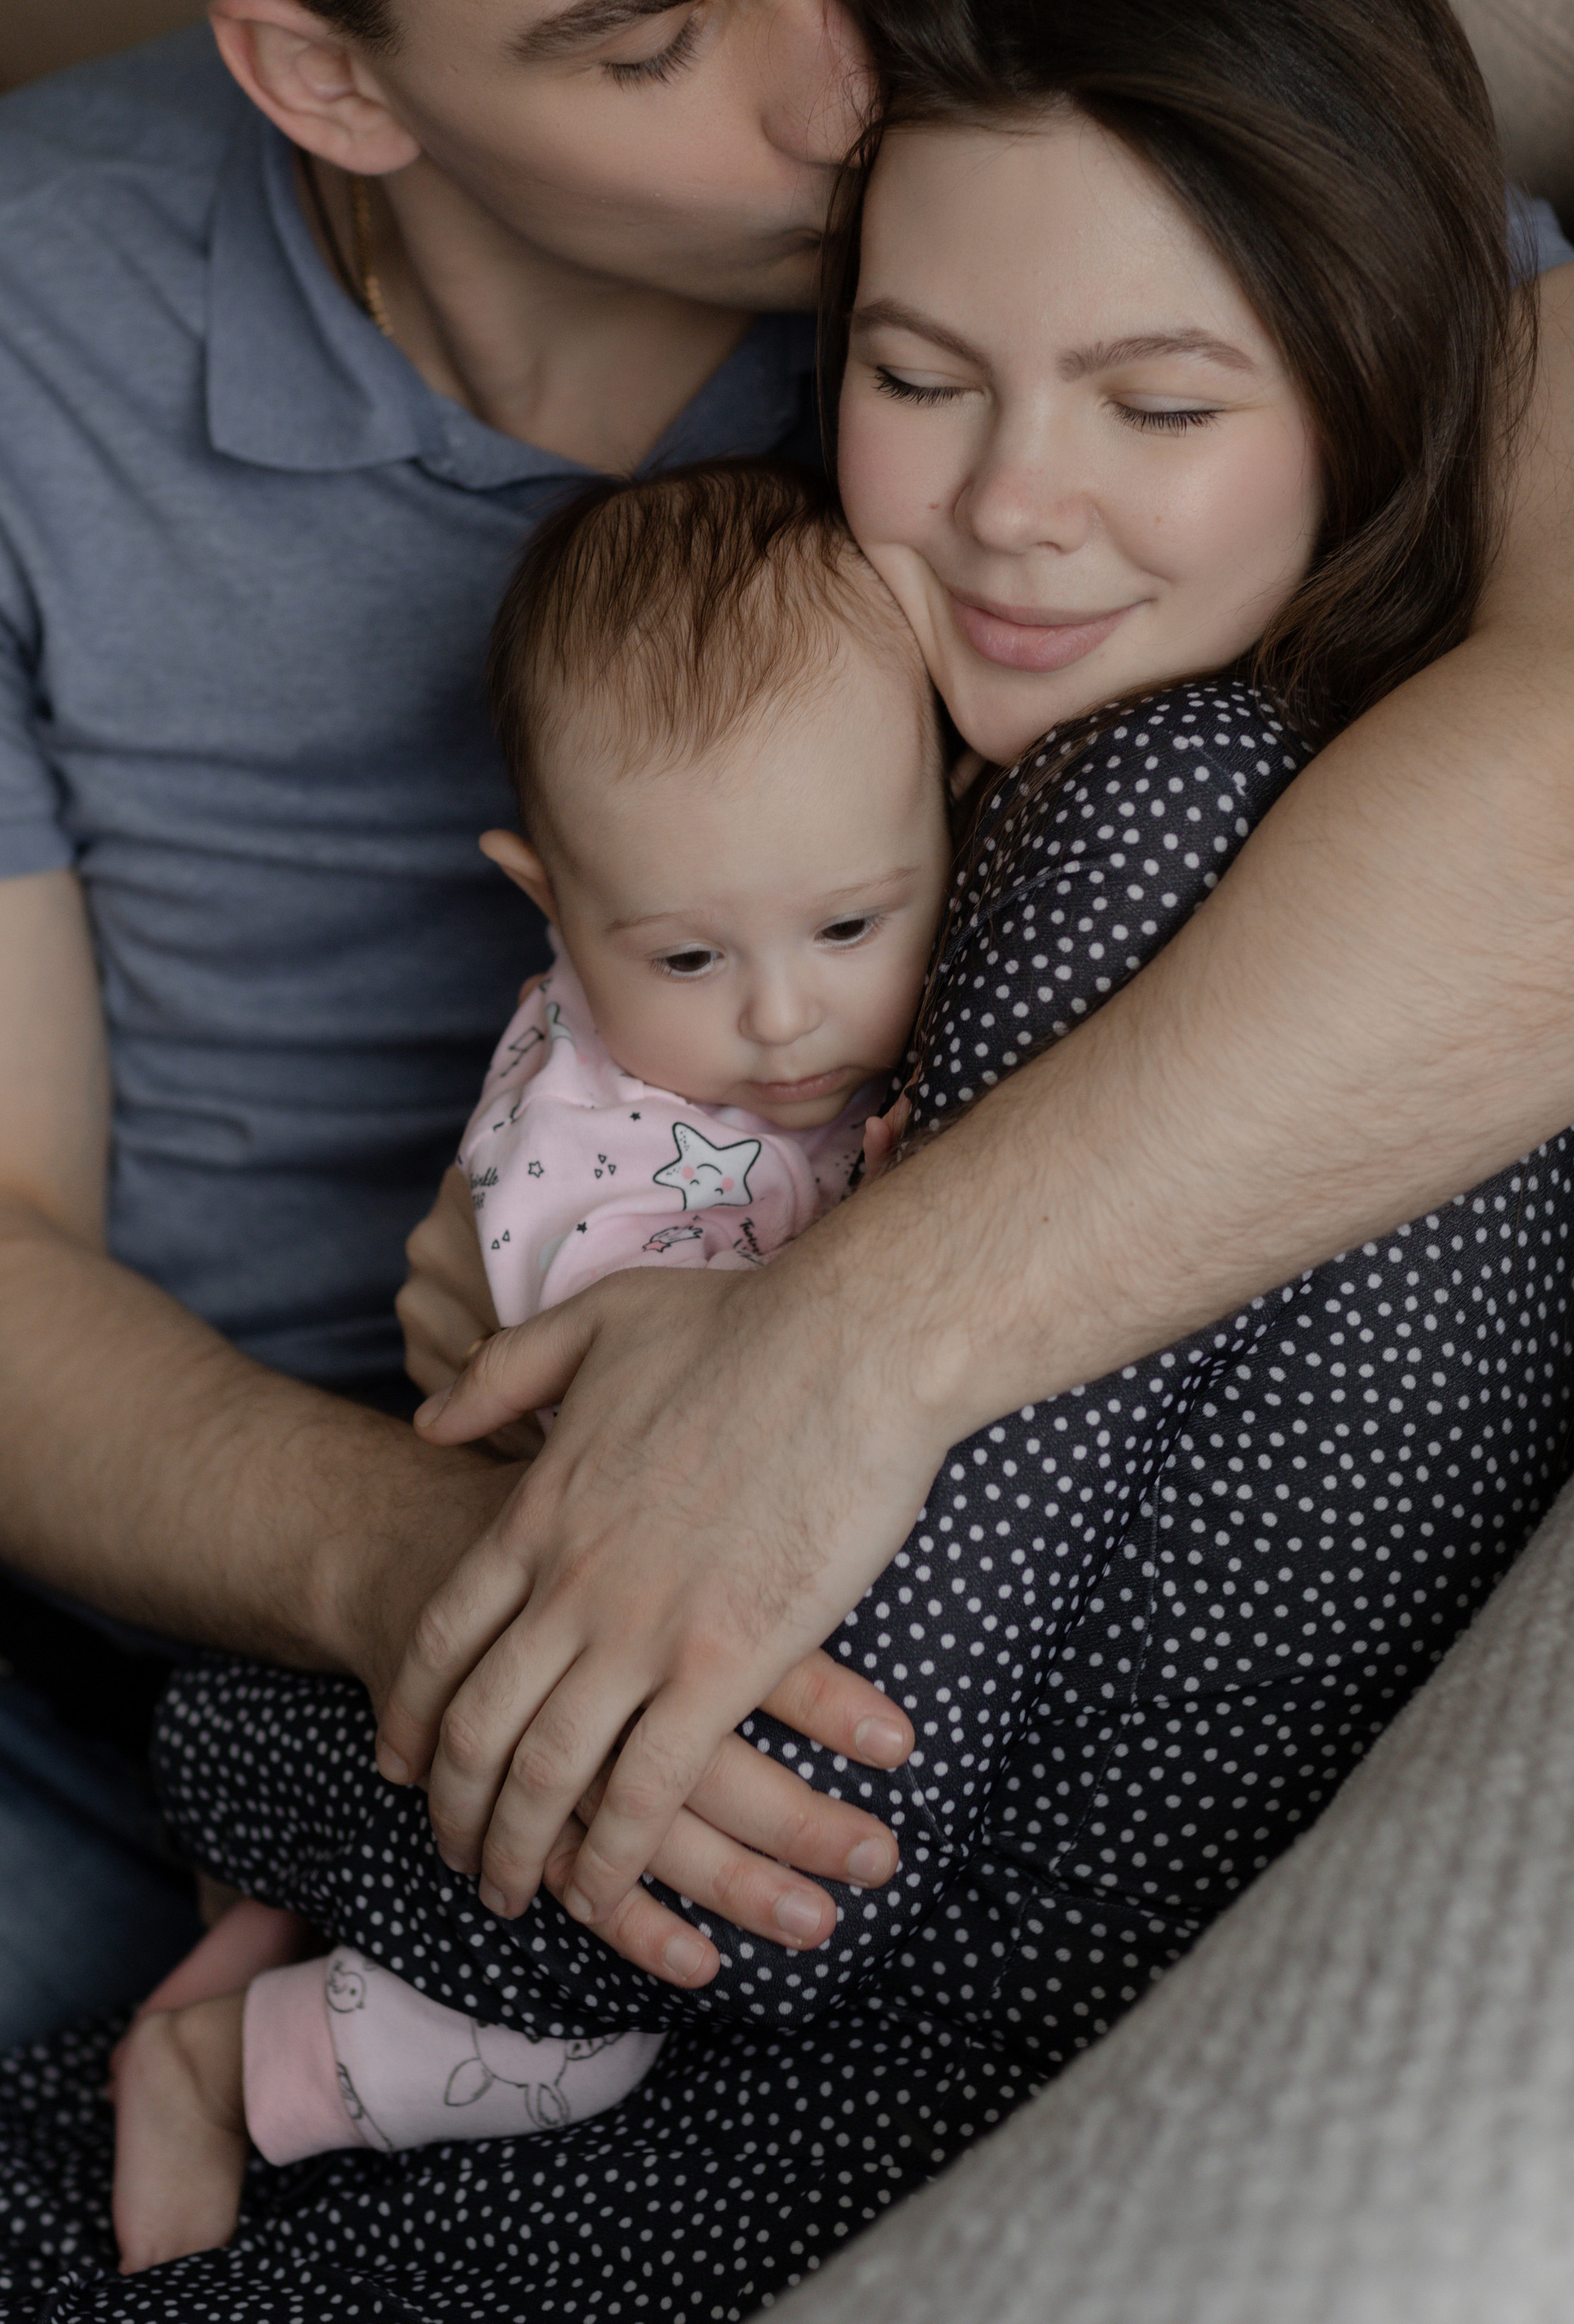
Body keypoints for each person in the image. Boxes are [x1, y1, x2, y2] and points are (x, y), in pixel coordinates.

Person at [0, 0, 1574, 2181]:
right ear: (331, 78)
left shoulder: (1052, 206)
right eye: (652, 33)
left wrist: (842, 1367)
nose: (841, 91)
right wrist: (484, 1588)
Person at [108, 457, 953, 2269]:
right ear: (547, 906)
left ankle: (269, 1916)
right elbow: (670, 1433)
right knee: (588, 2034)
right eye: (689, 953)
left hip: (493, 1654)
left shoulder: (771, 1021)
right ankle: (228, 2064)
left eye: (852, 924)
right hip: (506, 1625)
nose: (786, 1016)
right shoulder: (585, 1153)